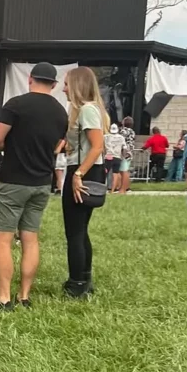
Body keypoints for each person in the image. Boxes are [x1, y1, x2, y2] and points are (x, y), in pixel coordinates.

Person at [0, 62, 69, 310]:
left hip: (13, 180)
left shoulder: (15, 105)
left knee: (3, 239)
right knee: (30, 239)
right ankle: (24, 295)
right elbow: (58, 145)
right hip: (42, 182)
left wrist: (7, 146)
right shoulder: (60, 112)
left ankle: (3, 298)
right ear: (54, 85)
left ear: (30, 79)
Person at [62, 67, 108, 298]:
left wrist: (78, 175)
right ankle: (84, 278)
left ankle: (77, 283)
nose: (63, 88)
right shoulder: (86, 110)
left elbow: (97, 146)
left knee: (75, 232)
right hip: (87, 169)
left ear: (78, 85)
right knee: (80, 230)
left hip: (83, 171)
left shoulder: (87, 110)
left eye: (67, 84)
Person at [115, 116, 137, 194]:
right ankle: (126, 187)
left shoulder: (124, 131)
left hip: (124, 152)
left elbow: (119, 140)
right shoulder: (132, 131)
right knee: (125, 170)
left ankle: (122, 189)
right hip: (129, 152)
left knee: (123, 171)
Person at [104, 123, 125, 192]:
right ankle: (112, 190)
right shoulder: (121, 138)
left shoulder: (105, 137)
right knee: (115, 173)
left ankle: (103, 188)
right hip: (117, 157)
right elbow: (124, 147)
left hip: (108, 156)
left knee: (105, 172)